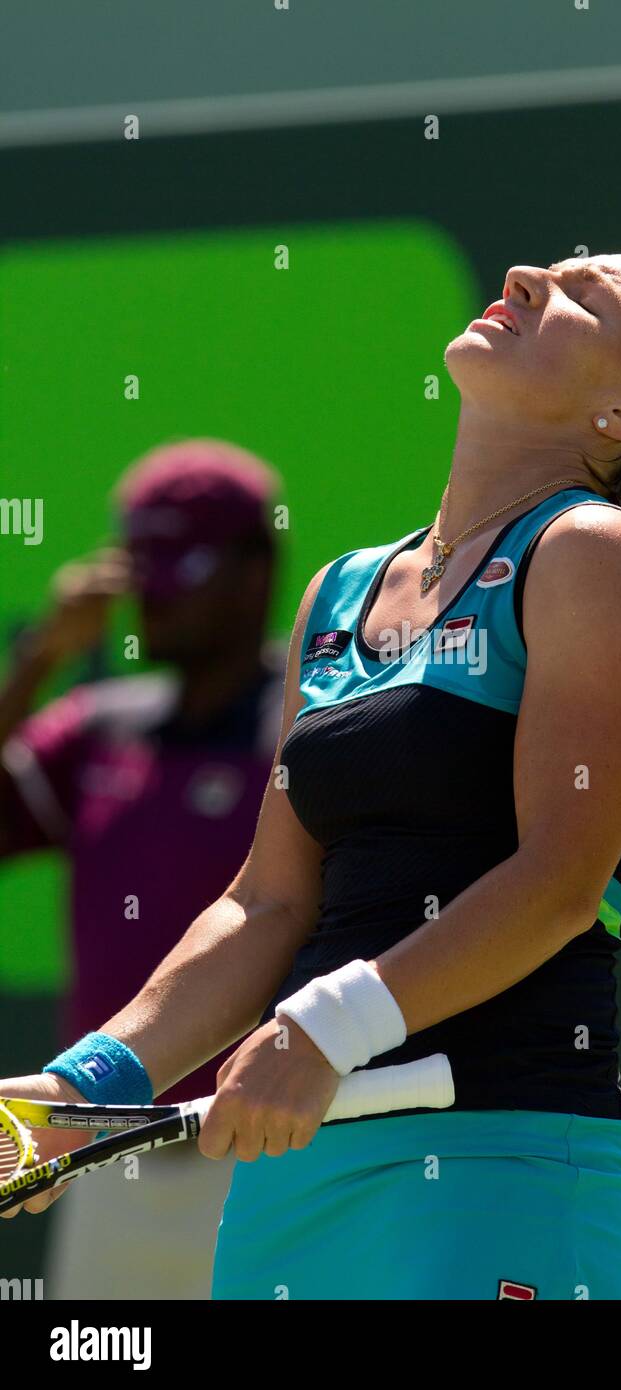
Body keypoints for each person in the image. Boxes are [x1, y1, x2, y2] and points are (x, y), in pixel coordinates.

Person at [1, 254, 621, 1300]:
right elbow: (267, 900)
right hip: (291, 1187)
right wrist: (84, 1083)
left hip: (504, 1168)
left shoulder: (595, 553)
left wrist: (326, 1025)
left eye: (591, 297)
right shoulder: (341, 591)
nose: (529, 276)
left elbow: (559, 880)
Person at [0, 439, 286, 1299]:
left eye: (182, 564)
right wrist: (41, 659)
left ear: (254, 571)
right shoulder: (96, 727)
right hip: (103, 1152)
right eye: (141, 562)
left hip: (268, 1150)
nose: (149, 595)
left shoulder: (314, 732)